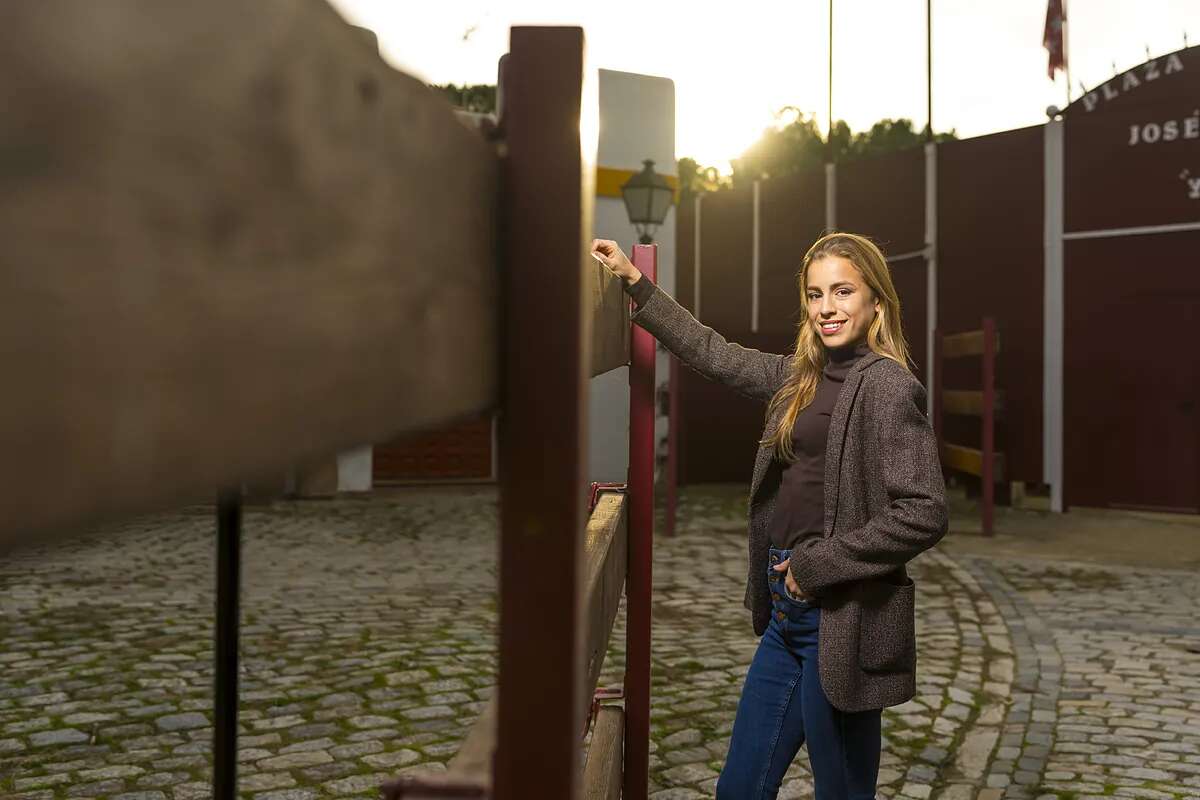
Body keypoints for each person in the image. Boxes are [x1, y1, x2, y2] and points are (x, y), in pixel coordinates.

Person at [590, 231, 948, 800]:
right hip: (788, 613)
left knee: (842, 791)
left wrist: (816, 566)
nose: (827, 308)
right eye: (814, 294)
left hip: (841, 616)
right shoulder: (799, 377)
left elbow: (925, 510)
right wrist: (637, 284)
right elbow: (715, 354)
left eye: (842, 291)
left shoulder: (886, 387)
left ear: (876, 300)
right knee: (740, 787)